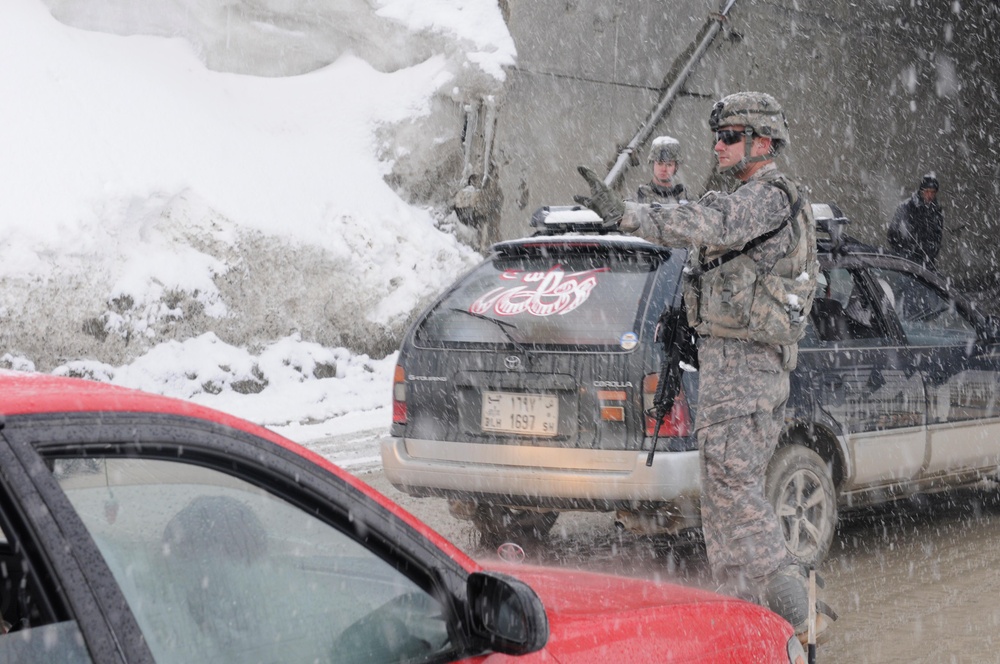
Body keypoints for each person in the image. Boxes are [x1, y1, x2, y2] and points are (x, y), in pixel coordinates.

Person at [574, 91, 834, 644]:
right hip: (728, 367)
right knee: (719, 500)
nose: (717, 144)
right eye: (717, 135)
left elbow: (707, 221)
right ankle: (743, 620)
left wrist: (629, 215)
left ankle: (799, 610)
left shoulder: (765, 197)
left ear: (762, 142)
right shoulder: (745, 198)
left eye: (731, 135)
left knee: (735, 488)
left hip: (746, 374)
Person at [887, 174, 944, 269]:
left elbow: (937, 238)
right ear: (921, 191)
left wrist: (929, 255)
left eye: (933, 192)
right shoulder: (906, 207)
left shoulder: (937, 212)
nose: (929, 195)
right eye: (927, 191)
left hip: (926, 266)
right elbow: (892, 233)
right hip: (905, 263)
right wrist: (903, 252)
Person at [636, 136, 688, 204]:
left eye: (669, 165)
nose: (664, 169)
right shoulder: (638, 198)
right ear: (653, 164)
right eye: (659, 164)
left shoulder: (685, 199)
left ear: (676, 167)